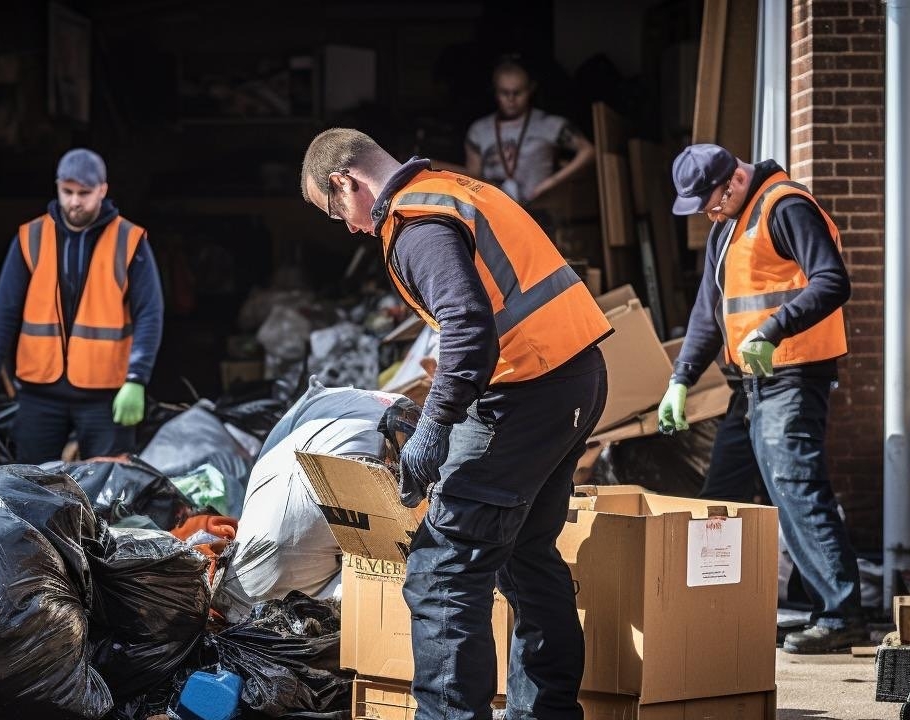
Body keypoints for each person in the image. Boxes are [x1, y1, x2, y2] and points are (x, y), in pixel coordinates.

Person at [301, 128, 609, 720]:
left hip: (528, 392)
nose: (350, 226)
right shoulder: (450, 190)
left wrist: (436, 426)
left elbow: (469, 327)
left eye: (336, 210)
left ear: (346, 181)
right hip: (573, 378)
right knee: (527, 552)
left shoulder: (417, 227)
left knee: (441, 568)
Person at [655, 144, 863, 653]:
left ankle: (840, 616)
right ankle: (714, 609)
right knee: (720, 494)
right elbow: (709, 312)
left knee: (795, 487)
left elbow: (834, 281)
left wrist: (775, 327)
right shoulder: (726, 227)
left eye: (709, 201)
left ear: (733, 181)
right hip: (748, 386)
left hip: (793, 375)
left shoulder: (784, 205)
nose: (707, 212)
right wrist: (680, 377)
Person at [0, 149, 162, 463]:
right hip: (39, 394)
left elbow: (149, 314)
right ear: (57, 187)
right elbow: (3, 311)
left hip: (105, 395)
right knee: (31, 490)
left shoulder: (129, 240)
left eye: (84, 193)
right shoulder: (31, 237)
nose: (74, 202)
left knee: (110, 494)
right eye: (67, 192)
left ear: (103, 190)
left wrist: (137, 379)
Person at [462, 57, 594, 206]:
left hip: (540, 208)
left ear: (530, 89)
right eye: (504, 93)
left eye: (517, 92)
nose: (511, 99)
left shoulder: (549, 124)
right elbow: (471, 178)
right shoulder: (479, 130)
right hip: (495, 209)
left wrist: (553, 182)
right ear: (495, 91)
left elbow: (588, 151)